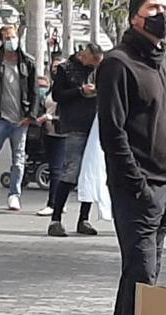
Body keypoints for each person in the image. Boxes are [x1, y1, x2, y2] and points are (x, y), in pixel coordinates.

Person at [97, 0, 166, 315]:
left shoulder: (158, 62)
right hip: (138, 191)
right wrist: (138, 185)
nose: (161, 12)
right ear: (135, 16)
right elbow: (112, 133)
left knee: (139, 275)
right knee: (144, 277)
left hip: (164, 188)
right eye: (153, 6)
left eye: (165, 5)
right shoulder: (118, 63)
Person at [0, 25, 38, 212]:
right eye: (7, 38)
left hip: (20, 120)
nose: (11, 41)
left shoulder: (28, 62)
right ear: (1, 40)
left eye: (13, 37)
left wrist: (30, 116)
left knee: (18, 160)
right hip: (0, 118)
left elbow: (34, 91)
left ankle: (14, 195)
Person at [45, 42, 104, 237]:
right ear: (83, 56)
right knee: (71, 171)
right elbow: (57, 95)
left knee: (90, 172)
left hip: (94, 126)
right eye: (92, 60)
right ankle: (56, 218)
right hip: (74, 125)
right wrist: (80, 91)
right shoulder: (66, 69)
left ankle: (84, 218)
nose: (94, 66)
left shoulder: (100, 70)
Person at [33, 74, 67, 219]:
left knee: (56, 169)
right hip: (48, 132)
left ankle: (53, 204)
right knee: (55, 167)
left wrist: (49, 117)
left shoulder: (67, 92)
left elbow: (68, 114)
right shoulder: (52, 90)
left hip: (61, 132)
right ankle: (59, 202)